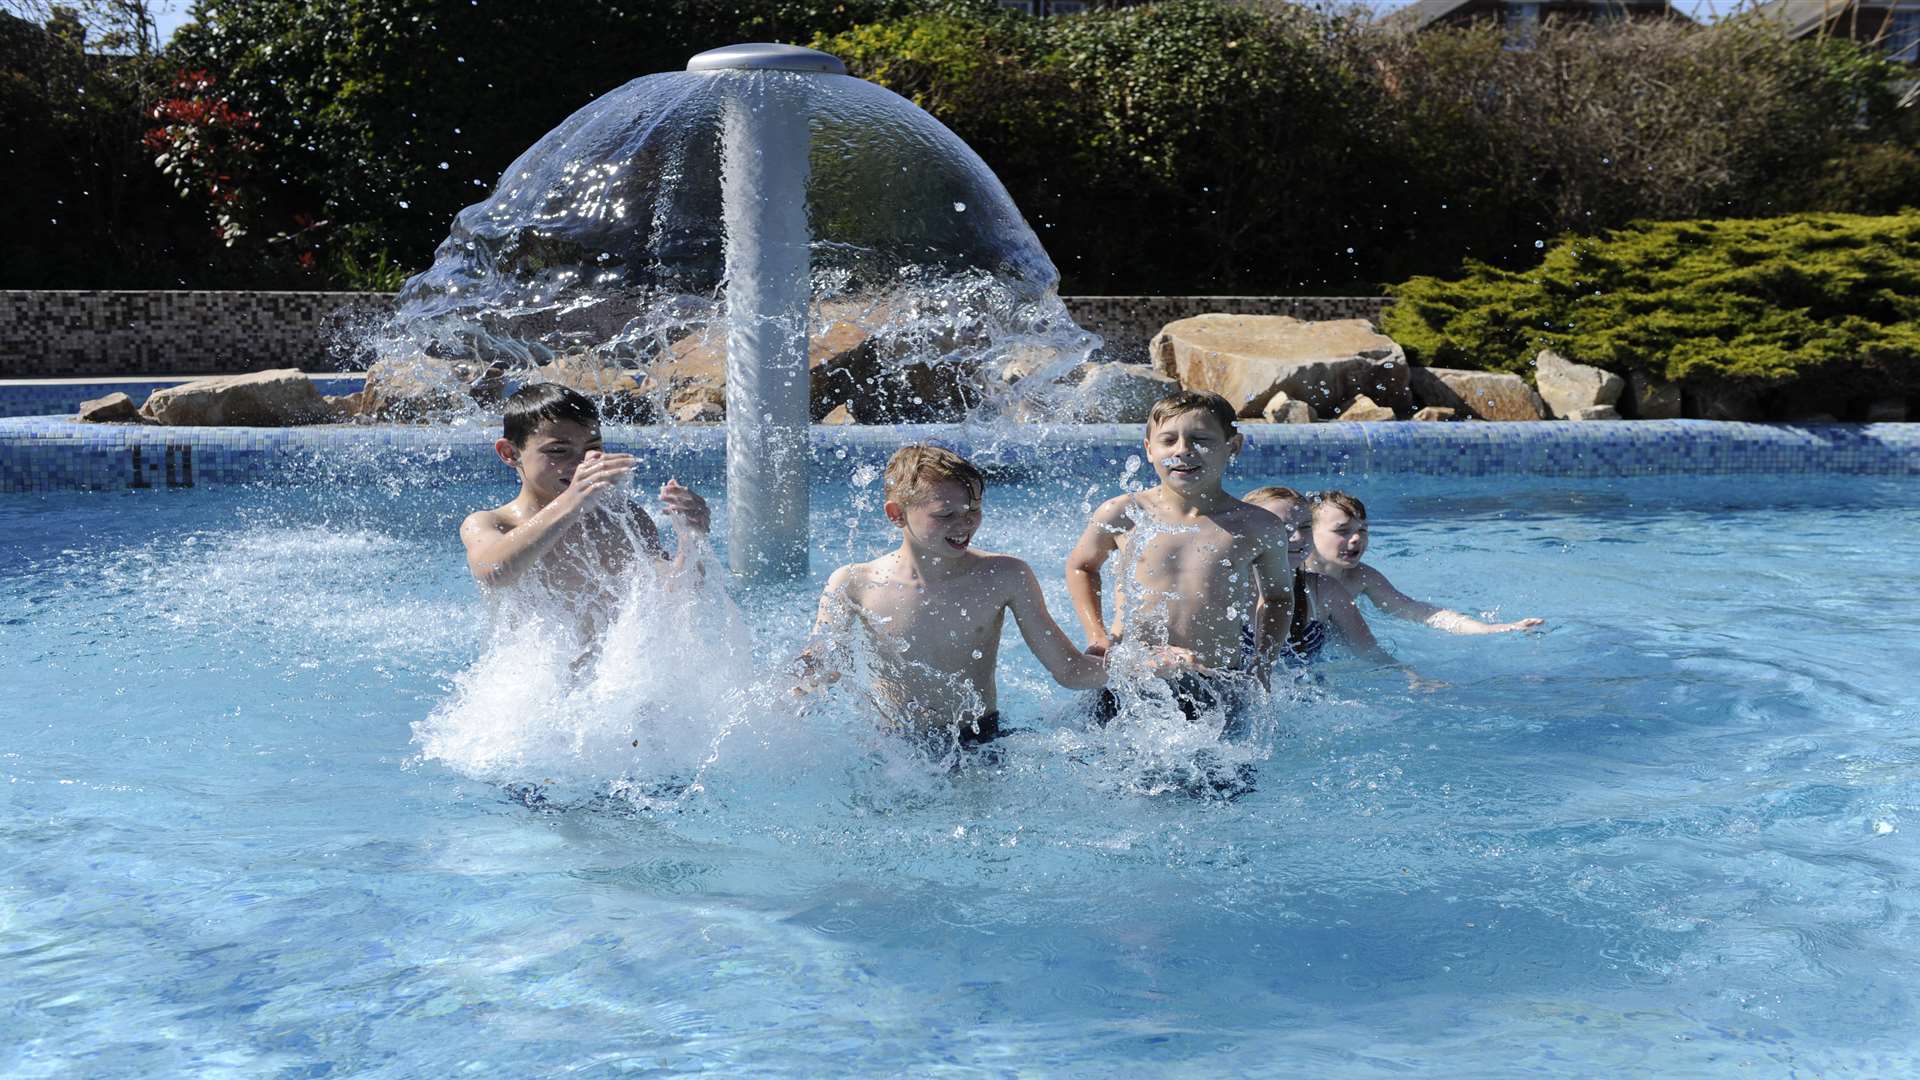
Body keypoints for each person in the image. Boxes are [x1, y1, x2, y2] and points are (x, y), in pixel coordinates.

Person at [794, 444, 1187, 758]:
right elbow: (822, 668)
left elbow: (1068, 670)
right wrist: (788, 694)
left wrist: (1140, 666)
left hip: (979, 741)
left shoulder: (1004, 576)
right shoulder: (853, 583)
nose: (964, 523)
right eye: (945, 514)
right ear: (897, 515)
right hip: (892, 748)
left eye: (974, 509)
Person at [1064, 391, 1293, 728]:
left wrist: (1263, 663)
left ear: (1234, 446)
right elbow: (1081, 566)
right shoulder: (1125, 513)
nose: (1182, 450)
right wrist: (1098, 638)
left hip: (1215, 681)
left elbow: (1277, 597)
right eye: (1168, 440)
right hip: (1132, 680)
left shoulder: (1258, 526)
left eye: (1200, 439)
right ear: (1148, 449)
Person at [458, 383, 710, 639]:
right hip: (534, 675)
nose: (583, 462)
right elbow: (493, 572)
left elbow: (675, 596)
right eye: (559, 451)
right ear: (510, 453)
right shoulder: (490, 523)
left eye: (593, 448)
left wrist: (691, 538)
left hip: (609, 675)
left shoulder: (619, 517)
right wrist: (571, 501)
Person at [1241, 486, 1426, 679]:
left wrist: (1411, 676)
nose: (1297, 537)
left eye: (1304, 526)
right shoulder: (1229, 588)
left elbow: (1370, 652)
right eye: (1282, 526)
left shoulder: (1325, 591)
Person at [1303, 489, 1545, 635]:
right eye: (1343, 530)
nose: (1356, 539)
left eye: (1362, 530)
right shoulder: (1290, 575)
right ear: (1306, 533)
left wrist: (1489, 629)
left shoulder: (1361, 578)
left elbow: (1418, 612)